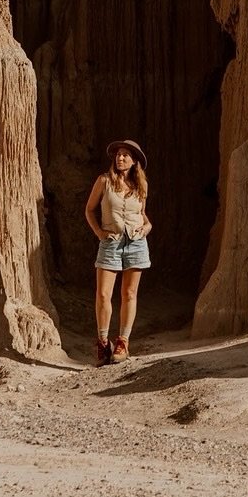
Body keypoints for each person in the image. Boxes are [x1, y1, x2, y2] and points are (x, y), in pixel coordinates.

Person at [84, 138, 151, 366]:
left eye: (125, 155)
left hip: (136, 243)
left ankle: (123, 342)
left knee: (129, 294)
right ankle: (103, 343)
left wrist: (147, 227)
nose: (120, 158)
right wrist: (100, 233)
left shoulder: (141, 185)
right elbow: (90, 210)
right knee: (103, 294)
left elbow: (143, 217)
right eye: (118, 154)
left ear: (134, 161)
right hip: (111, 242)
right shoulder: (104, 181)